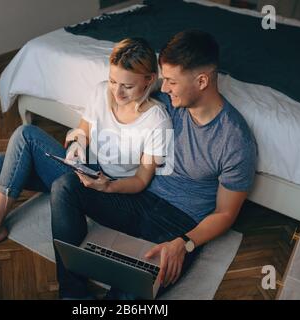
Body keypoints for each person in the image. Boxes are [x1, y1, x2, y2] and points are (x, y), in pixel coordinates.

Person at [0, 37, 171, 285]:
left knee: (26, 135)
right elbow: (82, 132)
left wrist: (107, 187)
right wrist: (76, 147)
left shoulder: (156, 119)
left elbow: (141, 180)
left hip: (109, 191)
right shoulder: (102, 92)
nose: (117, 92)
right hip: (85, 169)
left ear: (149, 80)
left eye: (127, 85)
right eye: (113, 81)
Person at [51, 29, 257, 299]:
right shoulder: (166, 100)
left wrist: (186, 243)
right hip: (140, 199)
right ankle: (72, 294)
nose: (163, 87)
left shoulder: (235, 140)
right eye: (163, 79)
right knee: (65, 187)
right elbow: (122, 88)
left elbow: (225, 214)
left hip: (177, 225)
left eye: (171, 81)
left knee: (129, 292)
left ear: (202, 81)